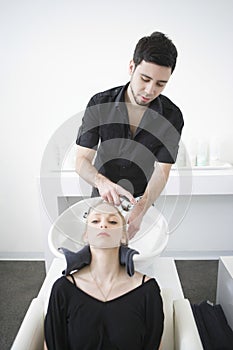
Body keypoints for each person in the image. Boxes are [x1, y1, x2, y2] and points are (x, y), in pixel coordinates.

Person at [75, 31, 184, 239]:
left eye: (161, 84)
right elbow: (81, 161)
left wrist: (141, 208)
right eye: (145, 79)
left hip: (141, 201)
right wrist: (102, 183)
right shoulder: (100, 104)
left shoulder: (172, 116)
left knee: (137, 260)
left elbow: (162, 171)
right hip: (101, 197)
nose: (150, 90)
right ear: (131, 67)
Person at [44, 201, 164, 350]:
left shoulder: (148, 291)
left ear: (123, 237)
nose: (103, 225)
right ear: (86, 236)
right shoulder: (63, 289)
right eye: (95, 221)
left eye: (112, 221)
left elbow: (153, 345)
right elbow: (52, 345)